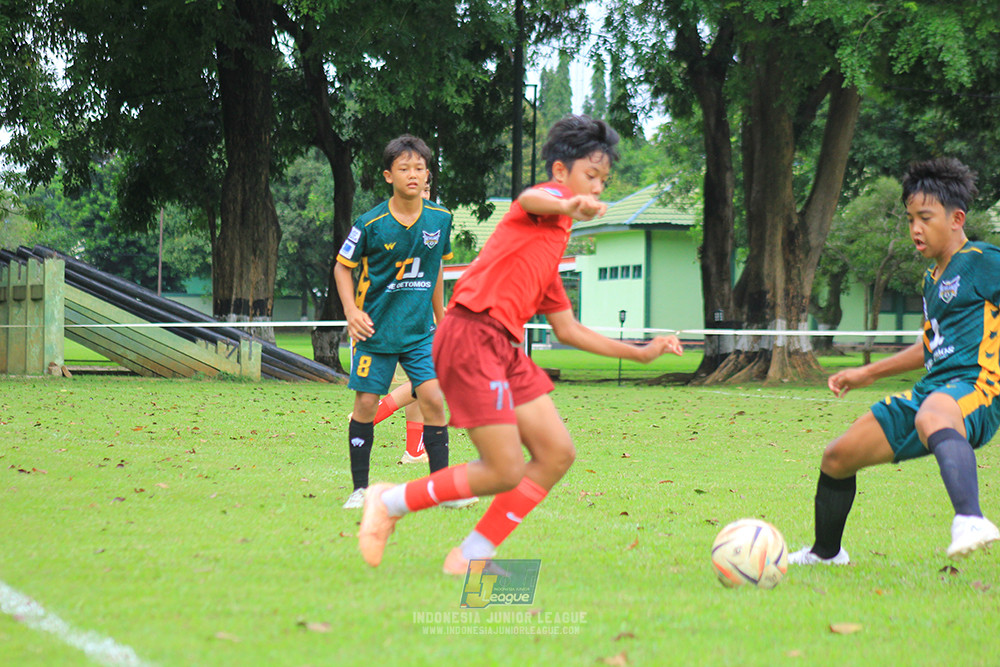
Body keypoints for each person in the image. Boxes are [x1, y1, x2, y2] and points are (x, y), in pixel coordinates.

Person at [356, 114, 684, 572]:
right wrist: (570, 205)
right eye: (590, 176)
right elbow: (533, 197)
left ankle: (470, 556)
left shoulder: (552, 243)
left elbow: (568, 331)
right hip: (472, 334)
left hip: (504, 348)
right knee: (504, 468)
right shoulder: (543, 201)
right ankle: (389, 501)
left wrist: (641, 351)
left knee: (555, 453)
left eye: (603, 181)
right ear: (560, 173)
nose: (596, 189)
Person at [790, 157, 1000, 565]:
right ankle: (826, 553)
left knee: (933, 415)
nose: (915, 229)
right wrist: (867, 371)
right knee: (838, 456)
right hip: (932, 390)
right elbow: (930, 344)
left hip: (978, 389)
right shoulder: (931, 278)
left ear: (957, 218)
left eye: (925, 217)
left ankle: (971, 519)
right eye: (909, 220)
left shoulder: (982, 260)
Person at [334, 134, 453, 509]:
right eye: (404, 168)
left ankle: (441, 489)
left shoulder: (441, 219)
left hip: (419, 332)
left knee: (433, 398)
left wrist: (442, 315)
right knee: (367, 403)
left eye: (419, 168)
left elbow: (435, 271)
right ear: (389, 175)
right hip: (375, 330)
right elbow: (341, 267)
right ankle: (360, 489)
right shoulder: (370, 223)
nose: (412, 175)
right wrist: (352, 312)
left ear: (427, 174)